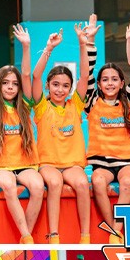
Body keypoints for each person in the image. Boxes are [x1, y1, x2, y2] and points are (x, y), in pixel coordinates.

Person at [0, 23, 43, 244]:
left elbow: (25, 73)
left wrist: (26, 47)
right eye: (5, 83)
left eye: (14, 84)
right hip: (0, 164)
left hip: (24, 163)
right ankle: (26, 235)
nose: (11, 87)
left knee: (38, 186)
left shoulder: (25, 105)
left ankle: (27, 236)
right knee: (10, 186)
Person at [31, 25, 92, 244]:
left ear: (70, 89)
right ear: (48, 86)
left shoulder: (75, 105)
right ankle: (53, 235)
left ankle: (85, 236)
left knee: (83, 184)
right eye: (55, 84)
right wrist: (49, 49)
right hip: (48, 163)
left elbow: (85, 75)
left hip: (72, 164)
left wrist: (83, 43)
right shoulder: (41, 107)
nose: (60, 89)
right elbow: (35, 77)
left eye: (65, 86)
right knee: (54, 183)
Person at [84, 15, 130, 244]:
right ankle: (113, 230)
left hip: (128, 160)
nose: (109, 83)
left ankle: (118, 228)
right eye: (105, 80)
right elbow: (87, 73)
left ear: (121, 82)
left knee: (127, 183)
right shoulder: (91, 102)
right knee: (98, 182)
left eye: (114, 79)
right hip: (102, 162)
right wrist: (90, 42)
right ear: (99, 85)